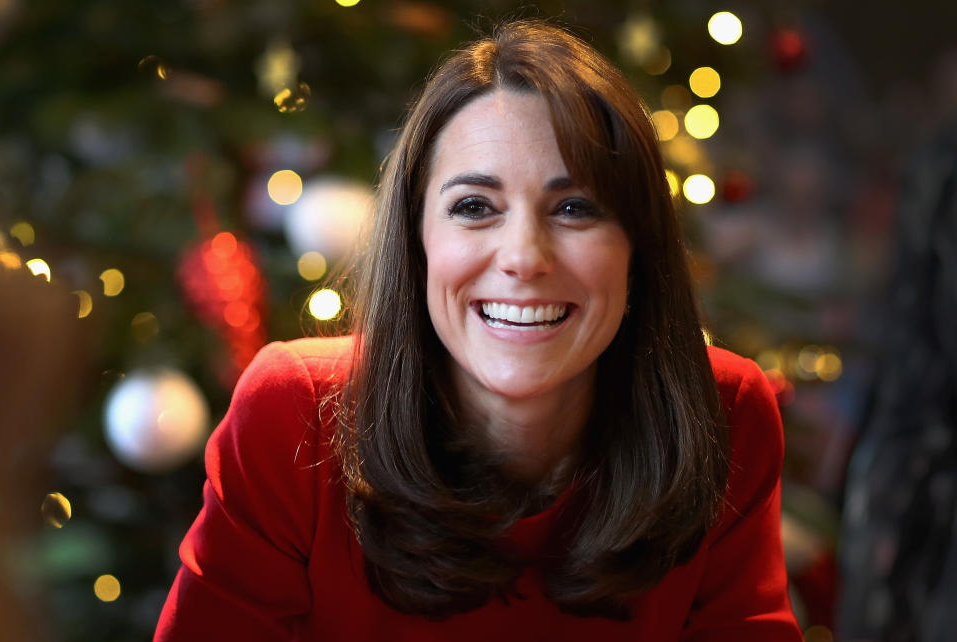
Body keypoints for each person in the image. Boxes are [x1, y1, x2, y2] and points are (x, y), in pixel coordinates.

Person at [154, 20, 800, 641]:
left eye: (575, 208)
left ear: (639, 246)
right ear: (418, 239)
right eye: (474, 207)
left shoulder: (723, 412)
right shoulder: (296, 412)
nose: (524, 256)